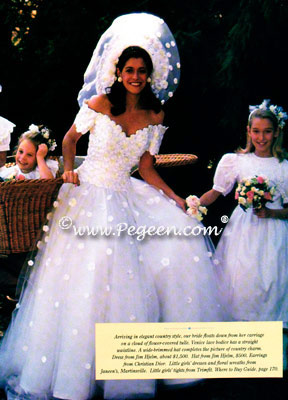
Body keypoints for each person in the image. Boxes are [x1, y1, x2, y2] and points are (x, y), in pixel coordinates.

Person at [0, 13, 225, 400]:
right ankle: (72, 373)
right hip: (88, 195)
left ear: (149, 74)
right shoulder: (99, 102)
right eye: (129, 70)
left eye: (142, 71)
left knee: (175, 247)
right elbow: (70, 140)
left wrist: (172, 197)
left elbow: (145, 166)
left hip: (126, 191)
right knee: (90, 276)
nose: (136, 76)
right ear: (118, 71)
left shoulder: (155, 114)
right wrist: (69, 170)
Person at [200, 99, 288, 367]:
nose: (262, 138)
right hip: (243, 230)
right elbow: (216, 192)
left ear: (276, 133)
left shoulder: (284, 166)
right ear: (248, 131)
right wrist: (191, 205)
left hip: (273, 231)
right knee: (241, 281)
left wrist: (272, 213)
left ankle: (275, 351)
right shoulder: (235, 161)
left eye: (267, 131)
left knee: (273, 282)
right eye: (257, 131)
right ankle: (239, 350)